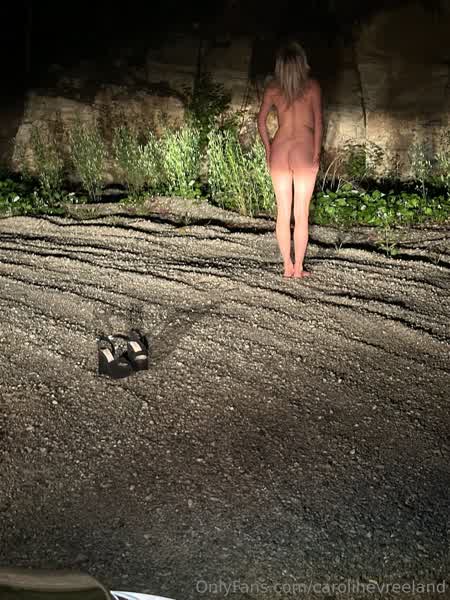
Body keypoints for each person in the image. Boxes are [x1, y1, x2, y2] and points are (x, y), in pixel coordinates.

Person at [257, 40, 323, 278]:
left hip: (280, 150)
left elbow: (261, 122)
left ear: (280, 66)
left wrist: (268, 149)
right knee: (301, 214)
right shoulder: (312, 86)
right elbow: (319, 122)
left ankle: (287, 265)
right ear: (302, 62)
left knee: (283, 212)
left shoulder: (273, 88)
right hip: (304, 150)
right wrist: (316, 153)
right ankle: (299, 268)